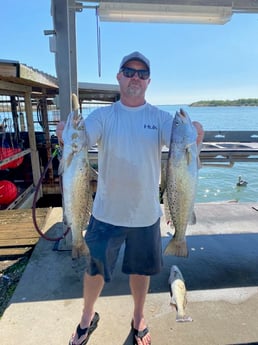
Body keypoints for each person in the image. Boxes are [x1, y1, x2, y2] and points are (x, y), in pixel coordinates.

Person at [57, 51, 204, 345]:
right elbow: (82, 141)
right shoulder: (103, 116)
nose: (135, 77)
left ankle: (138, 317)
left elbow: (181, 146)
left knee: (141, 272)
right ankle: (87, 317)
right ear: (119, 77)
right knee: (94, 270)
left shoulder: (162, 119)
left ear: (148, 81)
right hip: (106, 213)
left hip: (146, 215)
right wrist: (67, 133)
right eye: (129, 71)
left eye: (141, 73)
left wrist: (197, 135)